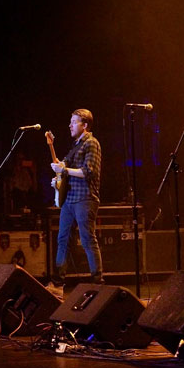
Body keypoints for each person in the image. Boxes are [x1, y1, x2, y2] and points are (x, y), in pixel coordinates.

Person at [48, 109, 103, 297]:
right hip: (69, 200)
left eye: (74, 121)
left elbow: (89, 172)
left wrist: (64, 170)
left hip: (85, 198)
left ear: (85, 125)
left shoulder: (91, 143)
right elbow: (62, 166)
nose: (70, 125)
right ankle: (57, 284)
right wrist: (52, 149)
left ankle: (98, 283)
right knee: (62, 239)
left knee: (88, 240)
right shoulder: (75, 145)